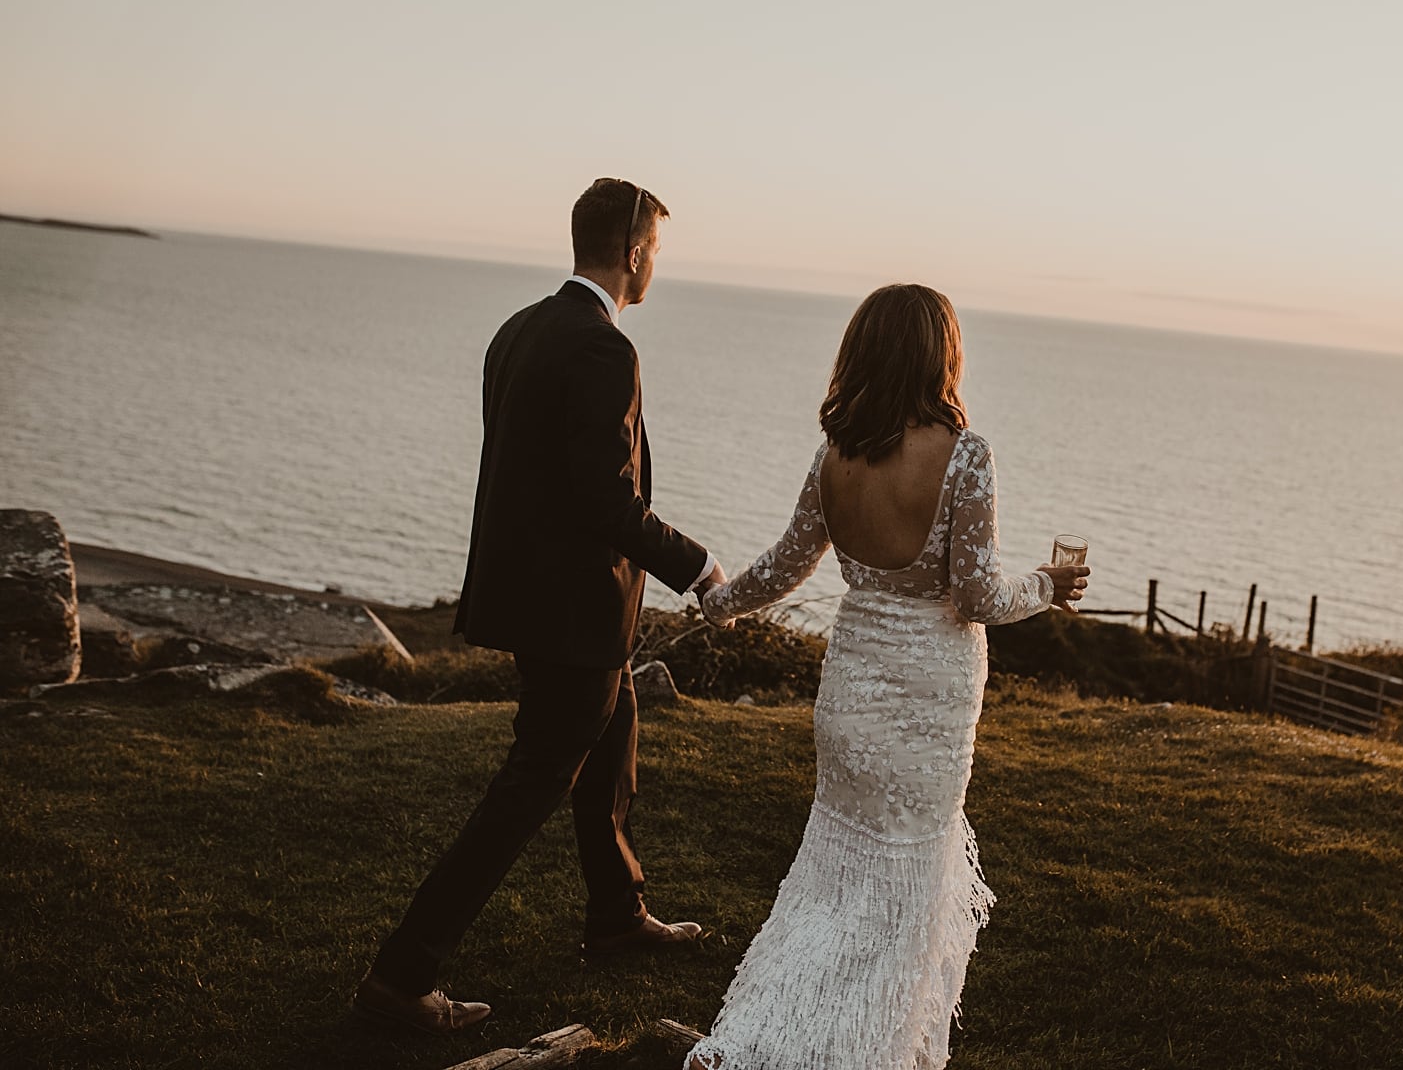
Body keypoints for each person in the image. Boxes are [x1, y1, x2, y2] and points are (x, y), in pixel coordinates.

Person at [353, 178, 727, 1034]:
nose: (656, 267)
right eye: (656, 253)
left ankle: (617, 915)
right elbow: (606, 501)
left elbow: (528, 479)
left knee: (613, 741)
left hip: (536, 603)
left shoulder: (516, 329)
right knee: (529, 788)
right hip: (574, 614)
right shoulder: (604, 349)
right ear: (634, 253)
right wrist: (699, 567)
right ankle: (401, 975)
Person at [685, 283, 1089, 1070]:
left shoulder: (835, 455)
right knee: (902, 896)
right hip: (927, 705)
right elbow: (976, 596)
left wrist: (719, 603)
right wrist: (1046, 585)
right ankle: (865, 1053)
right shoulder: (966, 455)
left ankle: (753, 1041)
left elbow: (784, 565)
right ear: (942, 352)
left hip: (850, 696)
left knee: (832, 884)